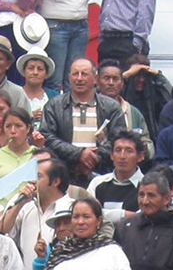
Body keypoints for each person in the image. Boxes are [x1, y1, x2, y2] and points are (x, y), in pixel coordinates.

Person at [42, 57, 125, 185]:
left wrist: (93, 158)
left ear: (95, 79)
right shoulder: (54, 105)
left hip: (101, 175)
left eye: (84, 74)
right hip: (63, 175)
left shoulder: (111, 107)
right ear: (69, 78)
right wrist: (78, 154)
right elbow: (47, 136)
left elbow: (119, 139)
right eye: (75, 74)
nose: (79, 78)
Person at [88, 130, 146, 214]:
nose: (122, 156)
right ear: (111, 155)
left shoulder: (147, 185)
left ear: (140, 156)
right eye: (118, 150)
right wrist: (125, 215)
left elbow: (143, 216)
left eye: (129, 151)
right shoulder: (97, 183)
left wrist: (102, 213)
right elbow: (87, 212)